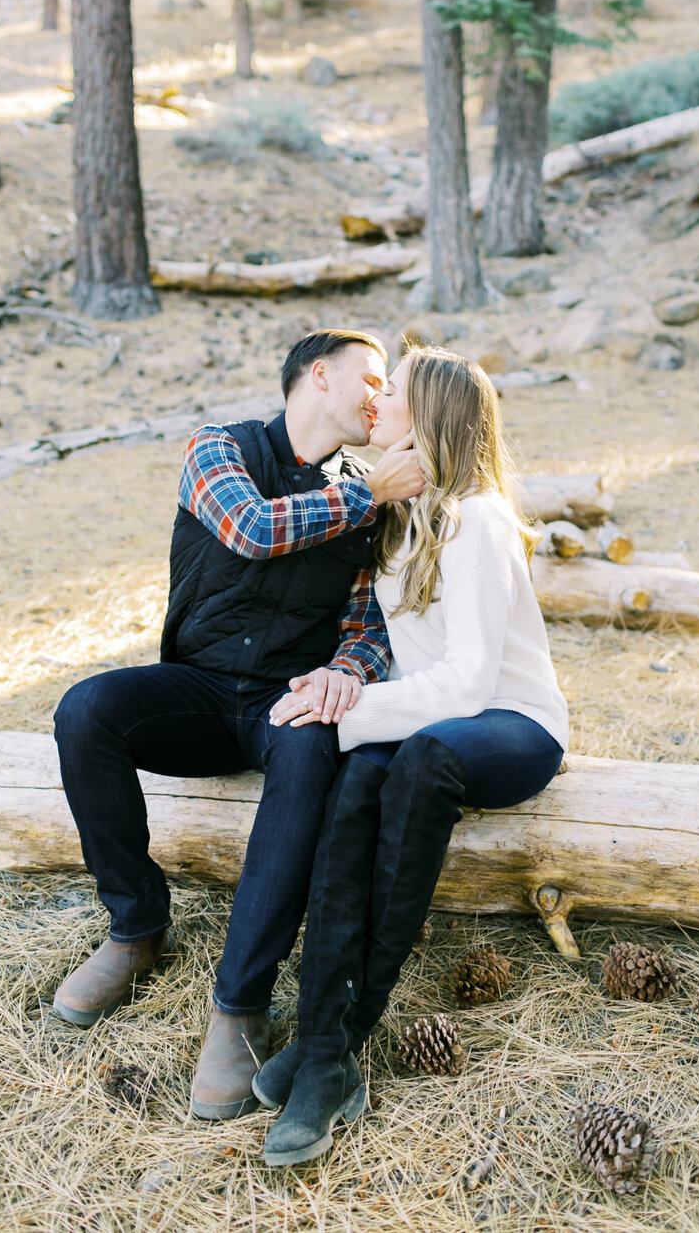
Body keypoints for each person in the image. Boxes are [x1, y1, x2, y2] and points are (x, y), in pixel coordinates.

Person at [51, 328, 427, 1121]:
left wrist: (343, 672)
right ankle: (135, 926)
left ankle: (240, 1004)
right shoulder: (217, 450)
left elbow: (371, 622)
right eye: (371, 378)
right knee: (86, 710)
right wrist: (371, 494)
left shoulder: (369, 493)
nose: (378, 396)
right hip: (194, 687)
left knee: (310, 752)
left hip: (280, 698)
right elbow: (253, 530)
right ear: (318, 375)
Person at [252, 345, 570, 1167]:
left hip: (510, 725)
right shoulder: (398, 519)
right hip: (421, 717)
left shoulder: (480, 519)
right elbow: (398, 661)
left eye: (389, 392)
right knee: (357, 789)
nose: (375, 401)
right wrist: (338, 693)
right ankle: (325, 1045)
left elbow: (467, 685)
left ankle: (339, 1040)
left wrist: (346, 716)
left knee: (414, 759)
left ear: (426, 416)